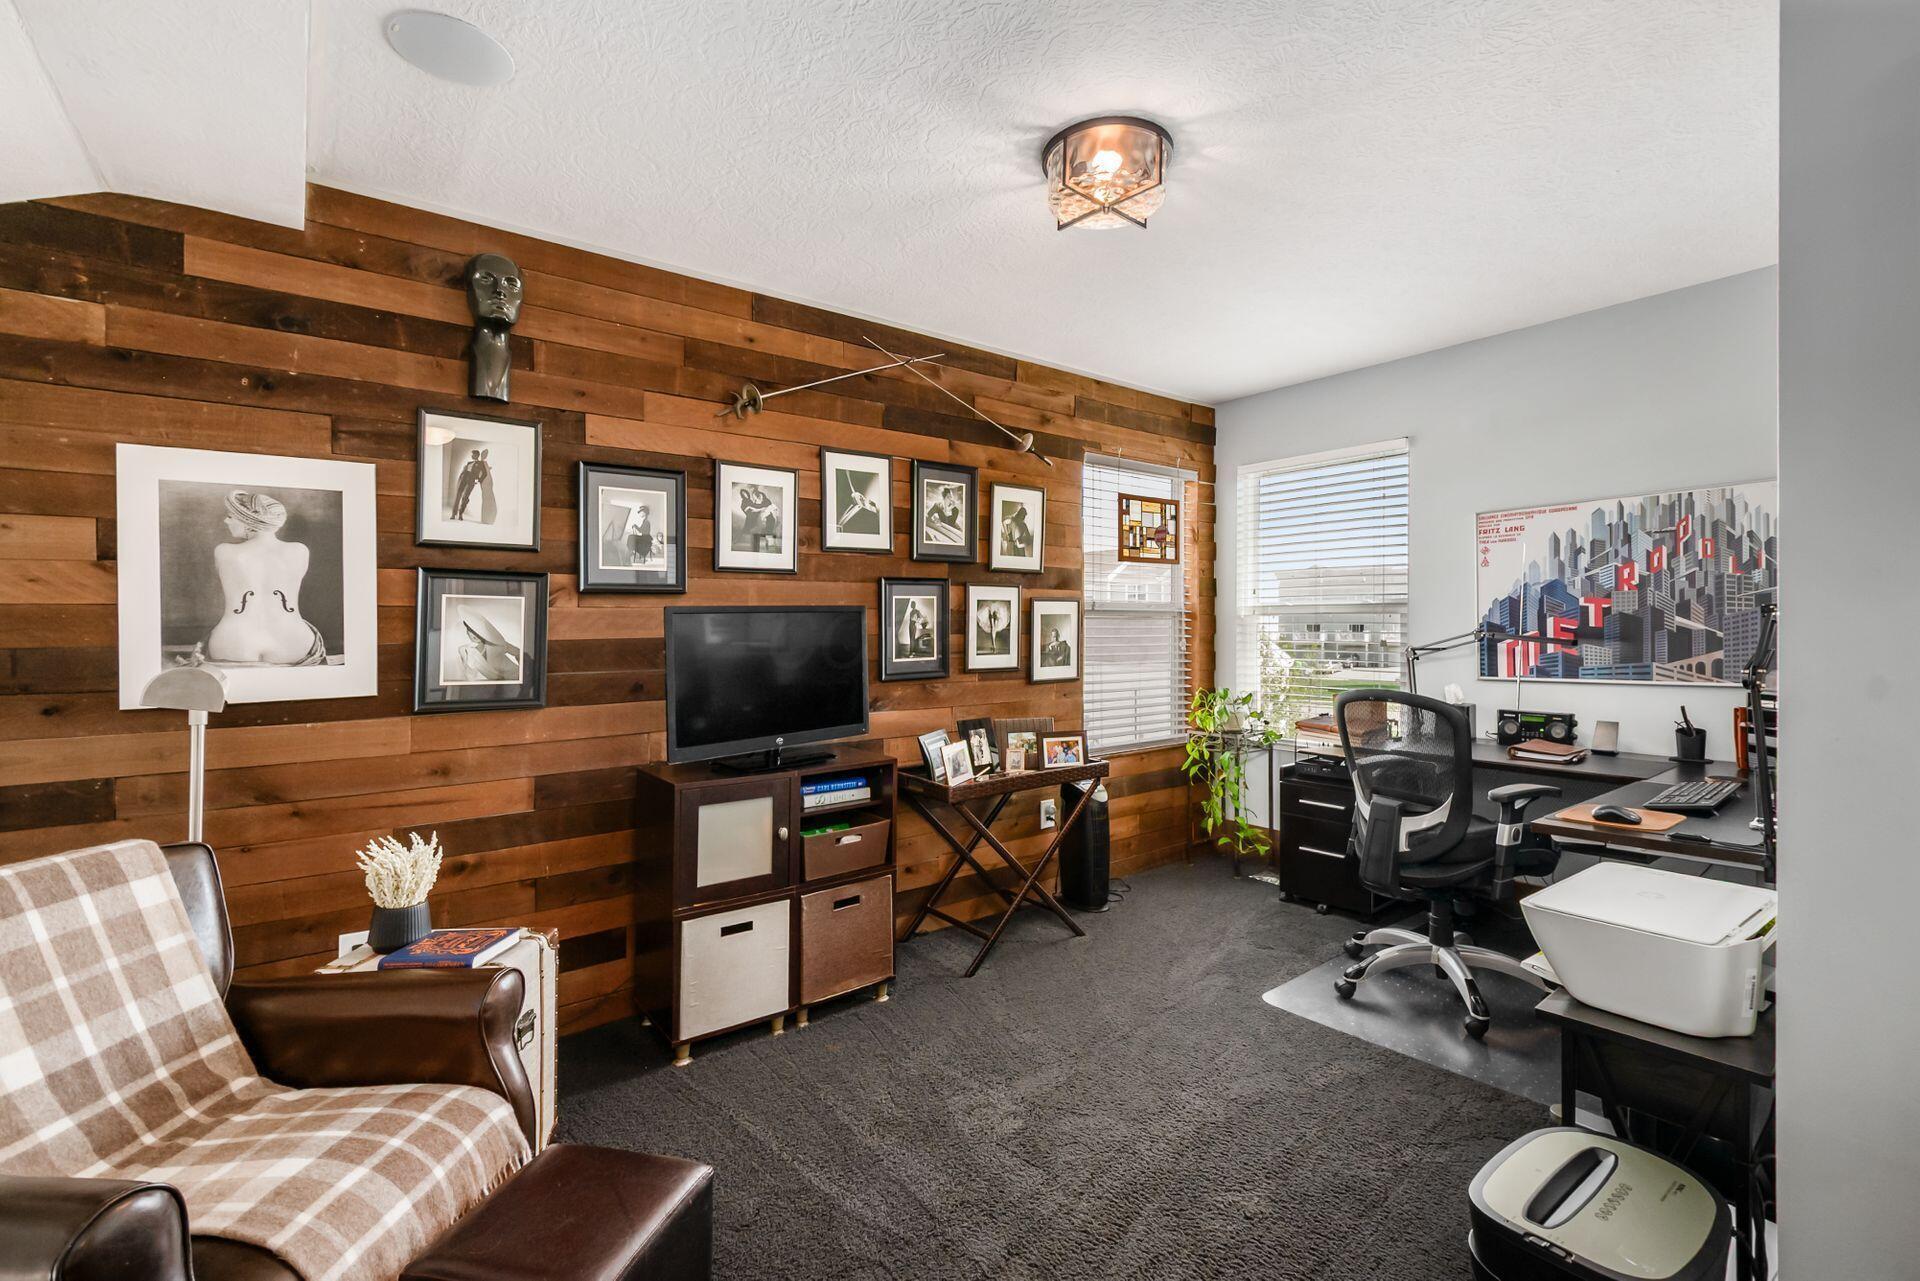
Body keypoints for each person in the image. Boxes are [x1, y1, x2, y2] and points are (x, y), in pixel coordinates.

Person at [204, 490, 326, 666]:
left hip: (235, 640)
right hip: (293, 640)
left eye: (231, 516)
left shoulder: (223, 551)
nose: (226, 521)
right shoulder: (299, 550)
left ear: (248, 521)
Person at [447, 607, 521, 683]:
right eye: (471, 630)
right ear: (467, 631)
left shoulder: (496, 643)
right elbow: (469, 677)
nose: (475, 634)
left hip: (518, 678)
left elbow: (519, 653)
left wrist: (524, 672)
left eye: (478, 630)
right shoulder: (465, 651)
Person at [737, 483, 777, 551]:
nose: (756, 498)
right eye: (743, 494)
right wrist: (752, 509)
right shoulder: (747, 501)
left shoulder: (764, 500)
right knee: (756, 526)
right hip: (756, 515)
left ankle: (769, 544)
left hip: (767, 515)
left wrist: (755, 508)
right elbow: (754, 507)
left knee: (769, 524)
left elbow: (762, 506)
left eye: (745, 493)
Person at [451, 449, 488, 521]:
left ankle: (460, 513)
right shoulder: (469, 462)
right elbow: (464, 471)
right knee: (457, 496)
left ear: (477, 455)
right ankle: (453, 514)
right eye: (471, 454)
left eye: (473, 454)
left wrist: (478, 480)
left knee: (465, 497)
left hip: (471, 481)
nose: (471, 456)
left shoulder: (481, 463)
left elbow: (485, 473)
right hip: (463, 479)